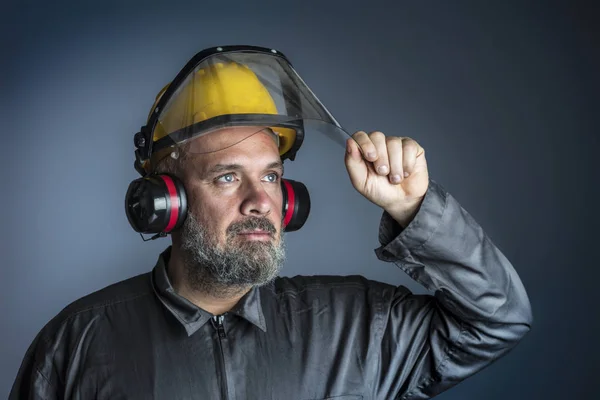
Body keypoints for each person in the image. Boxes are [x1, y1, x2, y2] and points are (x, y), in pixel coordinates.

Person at [10, 46, 532, 400]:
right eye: (228, 177)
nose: (262, 200)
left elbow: (495, 320)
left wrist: (414, 209)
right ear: (164, 200)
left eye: (273, 176)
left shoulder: (359, 326)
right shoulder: (76, 344)